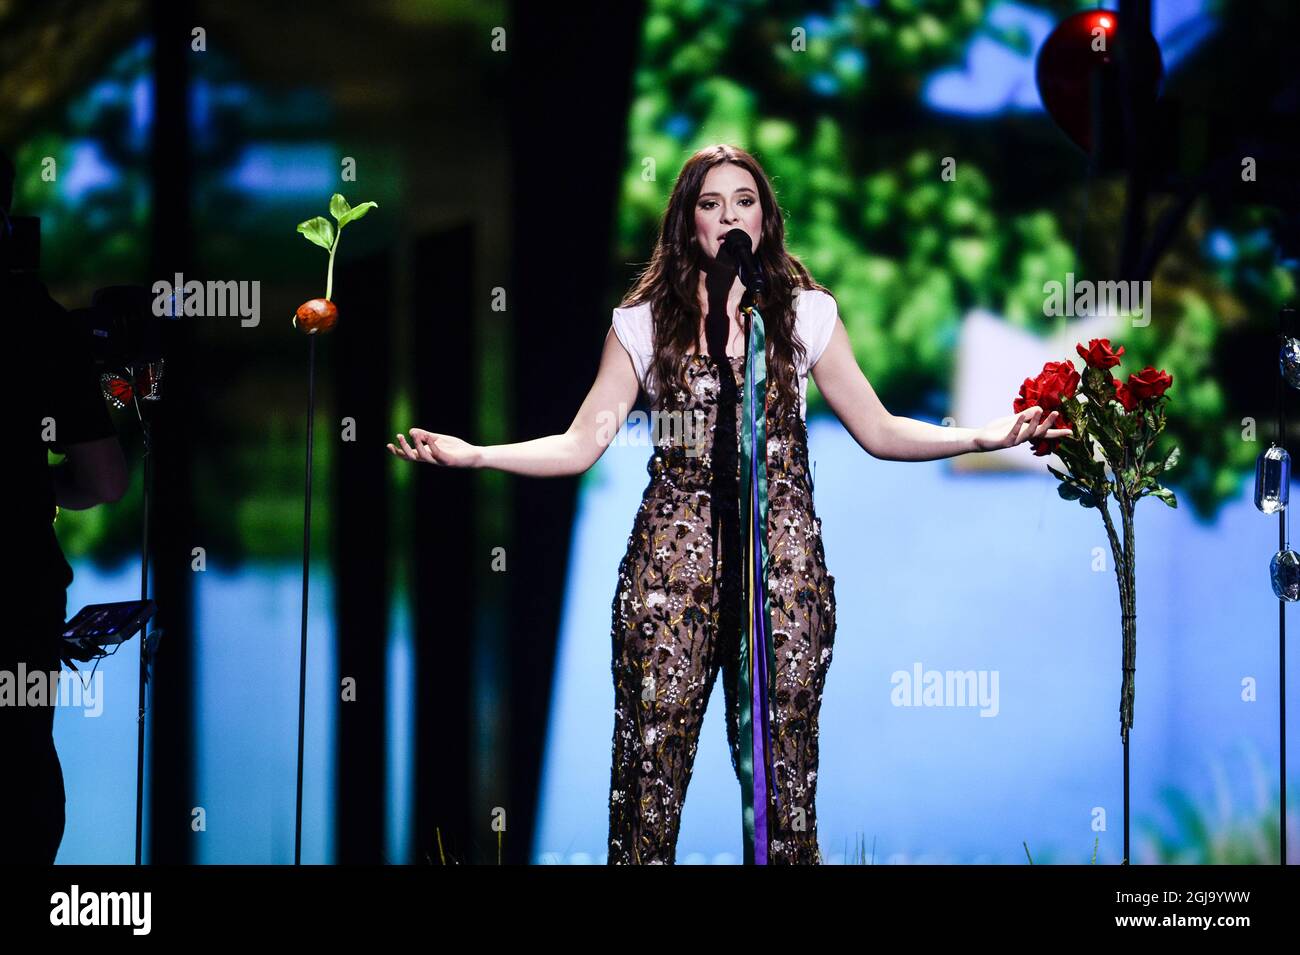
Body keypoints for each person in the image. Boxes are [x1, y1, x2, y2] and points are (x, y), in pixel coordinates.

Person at [387, 144, 1071, 865]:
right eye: (710, 205)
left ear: (765, 219)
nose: (728, 216)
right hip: (669, 578)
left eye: (743, 201)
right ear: (688, 226)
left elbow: (879, 429)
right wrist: (477, 454)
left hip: (784, 574)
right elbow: (580, 442)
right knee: (648, 789)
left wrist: (984, 433)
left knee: (787, 793)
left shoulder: (805, 316)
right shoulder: (643, 324)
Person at [1, 151, 128, 864]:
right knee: (20, 780)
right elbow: (105, 481)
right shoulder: (35, 318)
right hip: (16, 593)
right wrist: (32, 485)